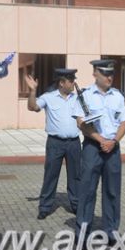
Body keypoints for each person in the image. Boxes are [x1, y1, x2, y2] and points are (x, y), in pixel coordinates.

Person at [73, 59, 125, 246]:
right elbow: (81, 123)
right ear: (96, 73)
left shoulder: (117, 96)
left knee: (112, 191)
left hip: (113, 148)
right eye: (105, 74)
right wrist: (101, 140)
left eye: (111, 74)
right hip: (92, 147)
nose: (110, 77)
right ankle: (82, 232)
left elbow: (123, 123)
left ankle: (110, 232)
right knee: (87, 190)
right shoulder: (86, 95)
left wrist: (113, 141)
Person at [25, 68, 81, 219]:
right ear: (62, 83)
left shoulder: (78, 98)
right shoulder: (48, 97)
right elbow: (33, 107)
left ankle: (76, 205)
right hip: (55, 143)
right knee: (50, 175)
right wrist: (32, 91)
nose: (73, 83)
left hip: (74, 143)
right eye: (71, 81)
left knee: (76, 176)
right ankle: (45, 207)